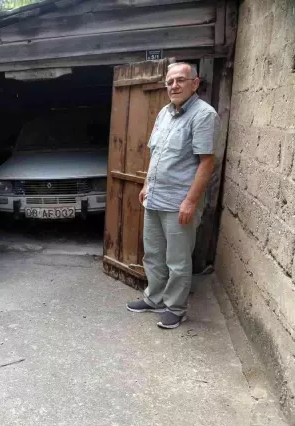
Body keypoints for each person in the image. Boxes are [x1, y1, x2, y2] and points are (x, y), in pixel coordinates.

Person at [127, 62, 220, 329]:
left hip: (180, 202)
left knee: (178, 259)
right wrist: (146, 185)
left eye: (181, 80)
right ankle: (154, 297)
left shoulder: (204, 115)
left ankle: (175, 308)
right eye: (170, 82)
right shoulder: (164, 113)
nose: (174, 86)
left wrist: (191, 201)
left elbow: (206, 163)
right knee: (154, 253)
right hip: (155, 197)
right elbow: (156, 154)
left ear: (195, 83)